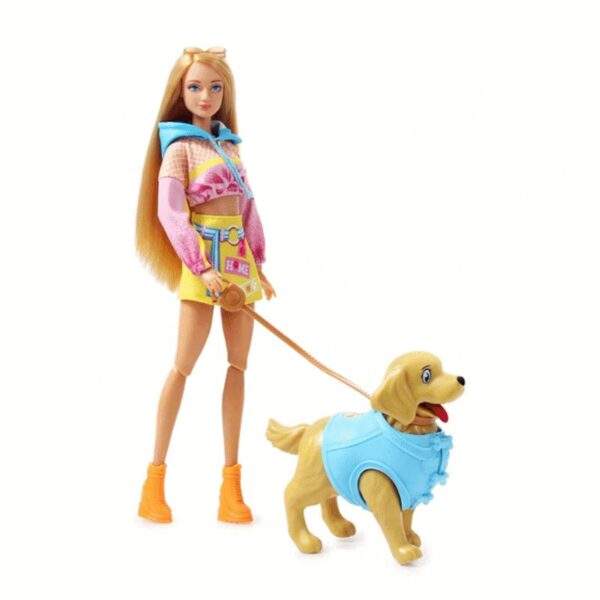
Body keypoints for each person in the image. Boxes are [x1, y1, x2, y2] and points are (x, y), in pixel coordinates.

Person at [135, 46, 275, 524]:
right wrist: (199, 266)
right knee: (183, 366)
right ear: (180, 92)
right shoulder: (178, 149)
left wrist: (258, 264)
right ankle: (154, 481)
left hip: (238, 265)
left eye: (215, 87)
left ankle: (231, 486)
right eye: (195, 87)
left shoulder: (230, 146)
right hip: (203, 266)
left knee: (238, 366)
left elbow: (247, 208)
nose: (206, 96)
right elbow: (170, 213)